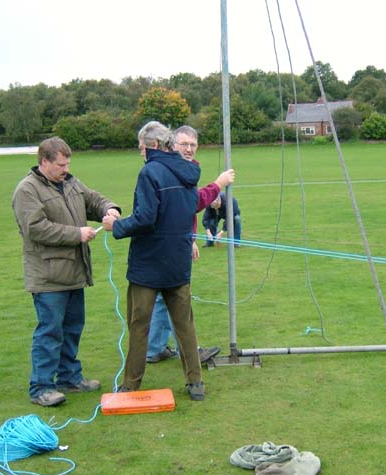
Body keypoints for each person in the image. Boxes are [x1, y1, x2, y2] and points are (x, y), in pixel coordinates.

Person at [12, 137, 121, 407]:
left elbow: (92, 199)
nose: (65, 168)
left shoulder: (70, 182)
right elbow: (35, 228)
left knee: (73, 328)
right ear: (44, 162)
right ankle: (41, 387)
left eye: (67, 163)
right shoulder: (27, 190)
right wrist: (76, 234)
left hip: (74, 272)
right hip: (48, 276)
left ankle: (70, 377)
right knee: (50, 331)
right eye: (60, 164)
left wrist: (110, 209)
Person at [111, 121, 207, 400]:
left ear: (152, 145)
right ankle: (195, 383)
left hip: (148, 264)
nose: (140, 152)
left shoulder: (149, 172)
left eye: (141, 147)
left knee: (139, 324)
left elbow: (145, 218)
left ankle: (130, 384)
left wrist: (115, 226)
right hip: (178, 261)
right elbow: (188, 210)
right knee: (185, 324)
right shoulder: (190, 171)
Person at [146, 125, 233, 364]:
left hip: (176, 241)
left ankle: (154, 348)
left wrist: (190, 238)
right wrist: (218, 184)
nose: (189, 149)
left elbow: (182, 211)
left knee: (165, 298)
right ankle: (190, 351)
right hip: (168, 245)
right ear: (171, 145)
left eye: (193, 145)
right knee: (176, 297)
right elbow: (192, 203)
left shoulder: (182, 169)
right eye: (184, 144)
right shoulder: (173, 170)